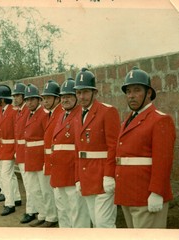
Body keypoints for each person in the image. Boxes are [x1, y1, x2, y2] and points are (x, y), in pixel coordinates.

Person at [115, 67, 176, 228]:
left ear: (149, 93)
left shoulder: (160, 120)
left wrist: (157, 192)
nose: (131, 95)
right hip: (127, 195)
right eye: (128, 91)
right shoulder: (127, 120)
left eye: (137, 90)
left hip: (146, 195)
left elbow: (163, 160)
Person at [74, 68, 120, 228]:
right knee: (95, 221)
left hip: (102, 175)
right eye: (78, 93)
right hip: (86, 177)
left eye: (85, 92)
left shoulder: (107, 111)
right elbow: (77, 151)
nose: (81, 97)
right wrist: (77, 178)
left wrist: (109, 175)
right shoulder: (77, 115)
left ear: (95, 92)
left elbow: (113, 146)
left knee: (104, 223)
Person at [50, 78, 90, 228]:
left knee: (77, 212)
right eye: (62, 96)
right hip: (59, 172)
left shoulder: (80, 115)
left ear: (76, 97)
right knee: (63, 211)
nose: (65, 99)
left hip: (72, 172)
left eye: (69, 96)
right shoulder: (62, 115)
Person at [23, 84, 48, 227]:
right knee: (33, 189)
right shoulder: (29, 114)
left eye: (32, 99)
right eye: (27, 100)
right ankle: (42, 213)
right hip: (30, 157)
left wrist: (45, 160)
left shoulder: (43, 114)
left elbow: (47, 138)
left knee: (44, 190)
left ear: (39, 100)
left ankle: (49, 215)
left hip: (39, 157)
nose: (29, 102)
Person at [12, 83, 37, 224]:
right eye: (14, 96)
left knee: (29, 184)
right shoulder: (20, 111)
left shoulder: (27, 111)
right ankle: (33, 209)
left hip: (28, 152)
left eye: (18, 96)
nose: (15, 98)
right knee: (29, 184)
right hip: (22, 151)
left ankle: (31, 210)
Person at [40, 79, 63, 227]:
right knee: (52, 192)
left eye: (49, 97)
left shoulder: (60, 113)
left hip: (58, 160)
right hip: (49, 158)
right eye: (44, 98)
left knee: (59, 196)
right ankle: (52, 217)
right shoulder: (50, 114)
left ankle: (54, 218)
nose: (45, 101)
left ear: (57, 98)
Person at [0, 85, 19, 216]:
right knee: (10, 175)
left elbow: (16, 132)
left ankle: (10, 203)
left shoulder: (12, 112)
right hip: (5, 147)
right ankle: (17, 197)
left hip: (10, 148)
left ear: (2, 100)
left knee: (6, 175)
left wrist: (16, 149)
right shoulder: (4, 111)